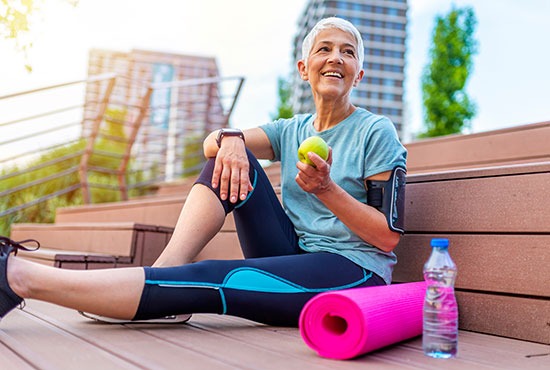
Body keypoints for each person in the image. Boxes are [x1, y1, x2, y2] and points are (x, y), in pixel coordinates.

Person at [0, 17, 407, 327]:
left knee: (214, 277)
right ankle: (167, 269)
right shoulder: (291, 129)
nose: (336, 57)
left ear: (359, 74)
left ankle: (17, 278)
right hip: (291, 252)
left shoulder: (376, 132)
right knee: (232, 156)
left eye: (348, 52)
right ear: (305, 68)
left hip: (352, 272)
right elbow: (212, 144)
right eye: (325, 49)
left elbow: (386, 237)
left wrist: (325, 190)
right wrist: (231, 138)